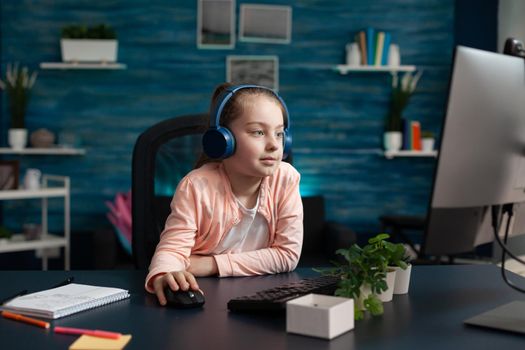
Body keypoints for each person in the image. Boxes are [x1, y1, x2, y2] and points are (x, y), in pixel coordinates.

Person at [145, 83, 304, 305]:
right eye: (258, 132)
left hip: (263, 298)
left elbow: (287, 255)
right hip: (206, 297)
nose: (273, 145)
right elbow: (172, 251)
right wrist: (165, 274)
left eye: (279, 134)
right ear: (223, 140)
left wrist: (209, 265)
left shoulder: (286, 179)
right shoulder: (196, 186)